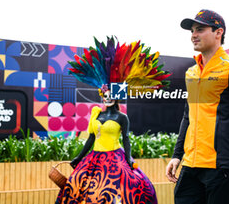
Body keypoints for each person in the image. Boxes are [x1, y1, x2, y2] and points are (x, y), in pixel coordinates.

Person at [55, 37, 171, 204]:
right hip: (94, 158)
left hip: (115, 158)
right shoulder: (96, 114)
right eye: (104, 95)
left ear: (116, 97)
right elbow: (91, 139)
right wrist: (78, 158)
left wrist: (129, 159)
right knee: (80, 187)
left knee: (121, 189)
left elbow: (126, 139)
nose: (107, 98)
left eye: (111, 96)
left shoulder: (121, 117)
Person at [165, 9, 229, 204]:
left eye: (199, 29)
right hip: (190, 166)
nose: (193, 35)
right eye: (191, 31)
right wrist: (177, 155)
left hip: (221, 168)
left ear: (218, 32)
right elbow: (187, 117)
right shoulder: (191, 72)